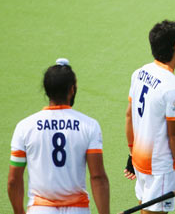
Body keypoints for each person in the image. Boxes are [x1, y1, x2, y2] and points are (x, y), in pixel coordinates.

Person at [7, 59, 110, 214]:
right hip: (78, 210)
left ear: (46, 90)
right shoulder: (89, 125)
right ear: (72, 90)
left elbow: (13, 181)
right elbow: (98, 177)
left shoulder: (25, 126)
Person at [124, 20, 175, 213]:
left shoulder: (140, 72)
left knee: (145, 209)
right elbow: (174, 136)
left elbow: (129, 115)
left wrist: (132, 153)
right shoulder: (173, 88)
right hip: (160, 167)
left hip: (139, 161)